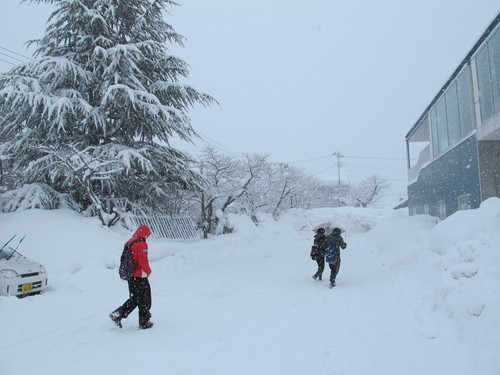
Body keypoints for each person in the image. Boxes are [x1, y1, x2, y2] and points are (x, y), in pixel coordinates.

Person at [109, 225, 154, 329]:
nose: (147, 237)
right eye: (147, 235)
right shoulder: (141, 244)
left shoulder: (130, 242)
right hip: (140, 276)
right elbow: (143, 261)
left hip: (130, 275)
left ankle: (118, 313)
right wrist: (148, 271)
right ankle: (144, 321)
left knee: (134, 298)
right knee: (144, 299)